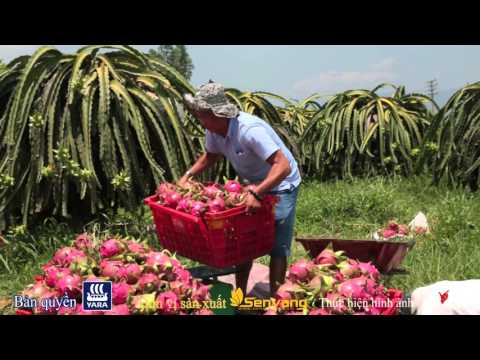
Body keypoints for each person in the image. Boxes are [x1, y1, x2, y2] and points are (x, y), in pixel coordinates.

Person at [179, 82, 301, 297]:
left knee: (277, 245)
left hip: (282, 184)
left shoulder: (249, 131)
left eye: (201, 115)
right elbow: (210, 156)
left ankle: (276, 299)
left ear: (216, 114)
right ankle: (240, 296)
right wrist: (187, 177)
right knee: (245, 243)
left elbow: (282, 166)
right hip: (254, 185)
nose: (199, 120)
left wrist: (257, 193)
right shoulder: (214, 130)